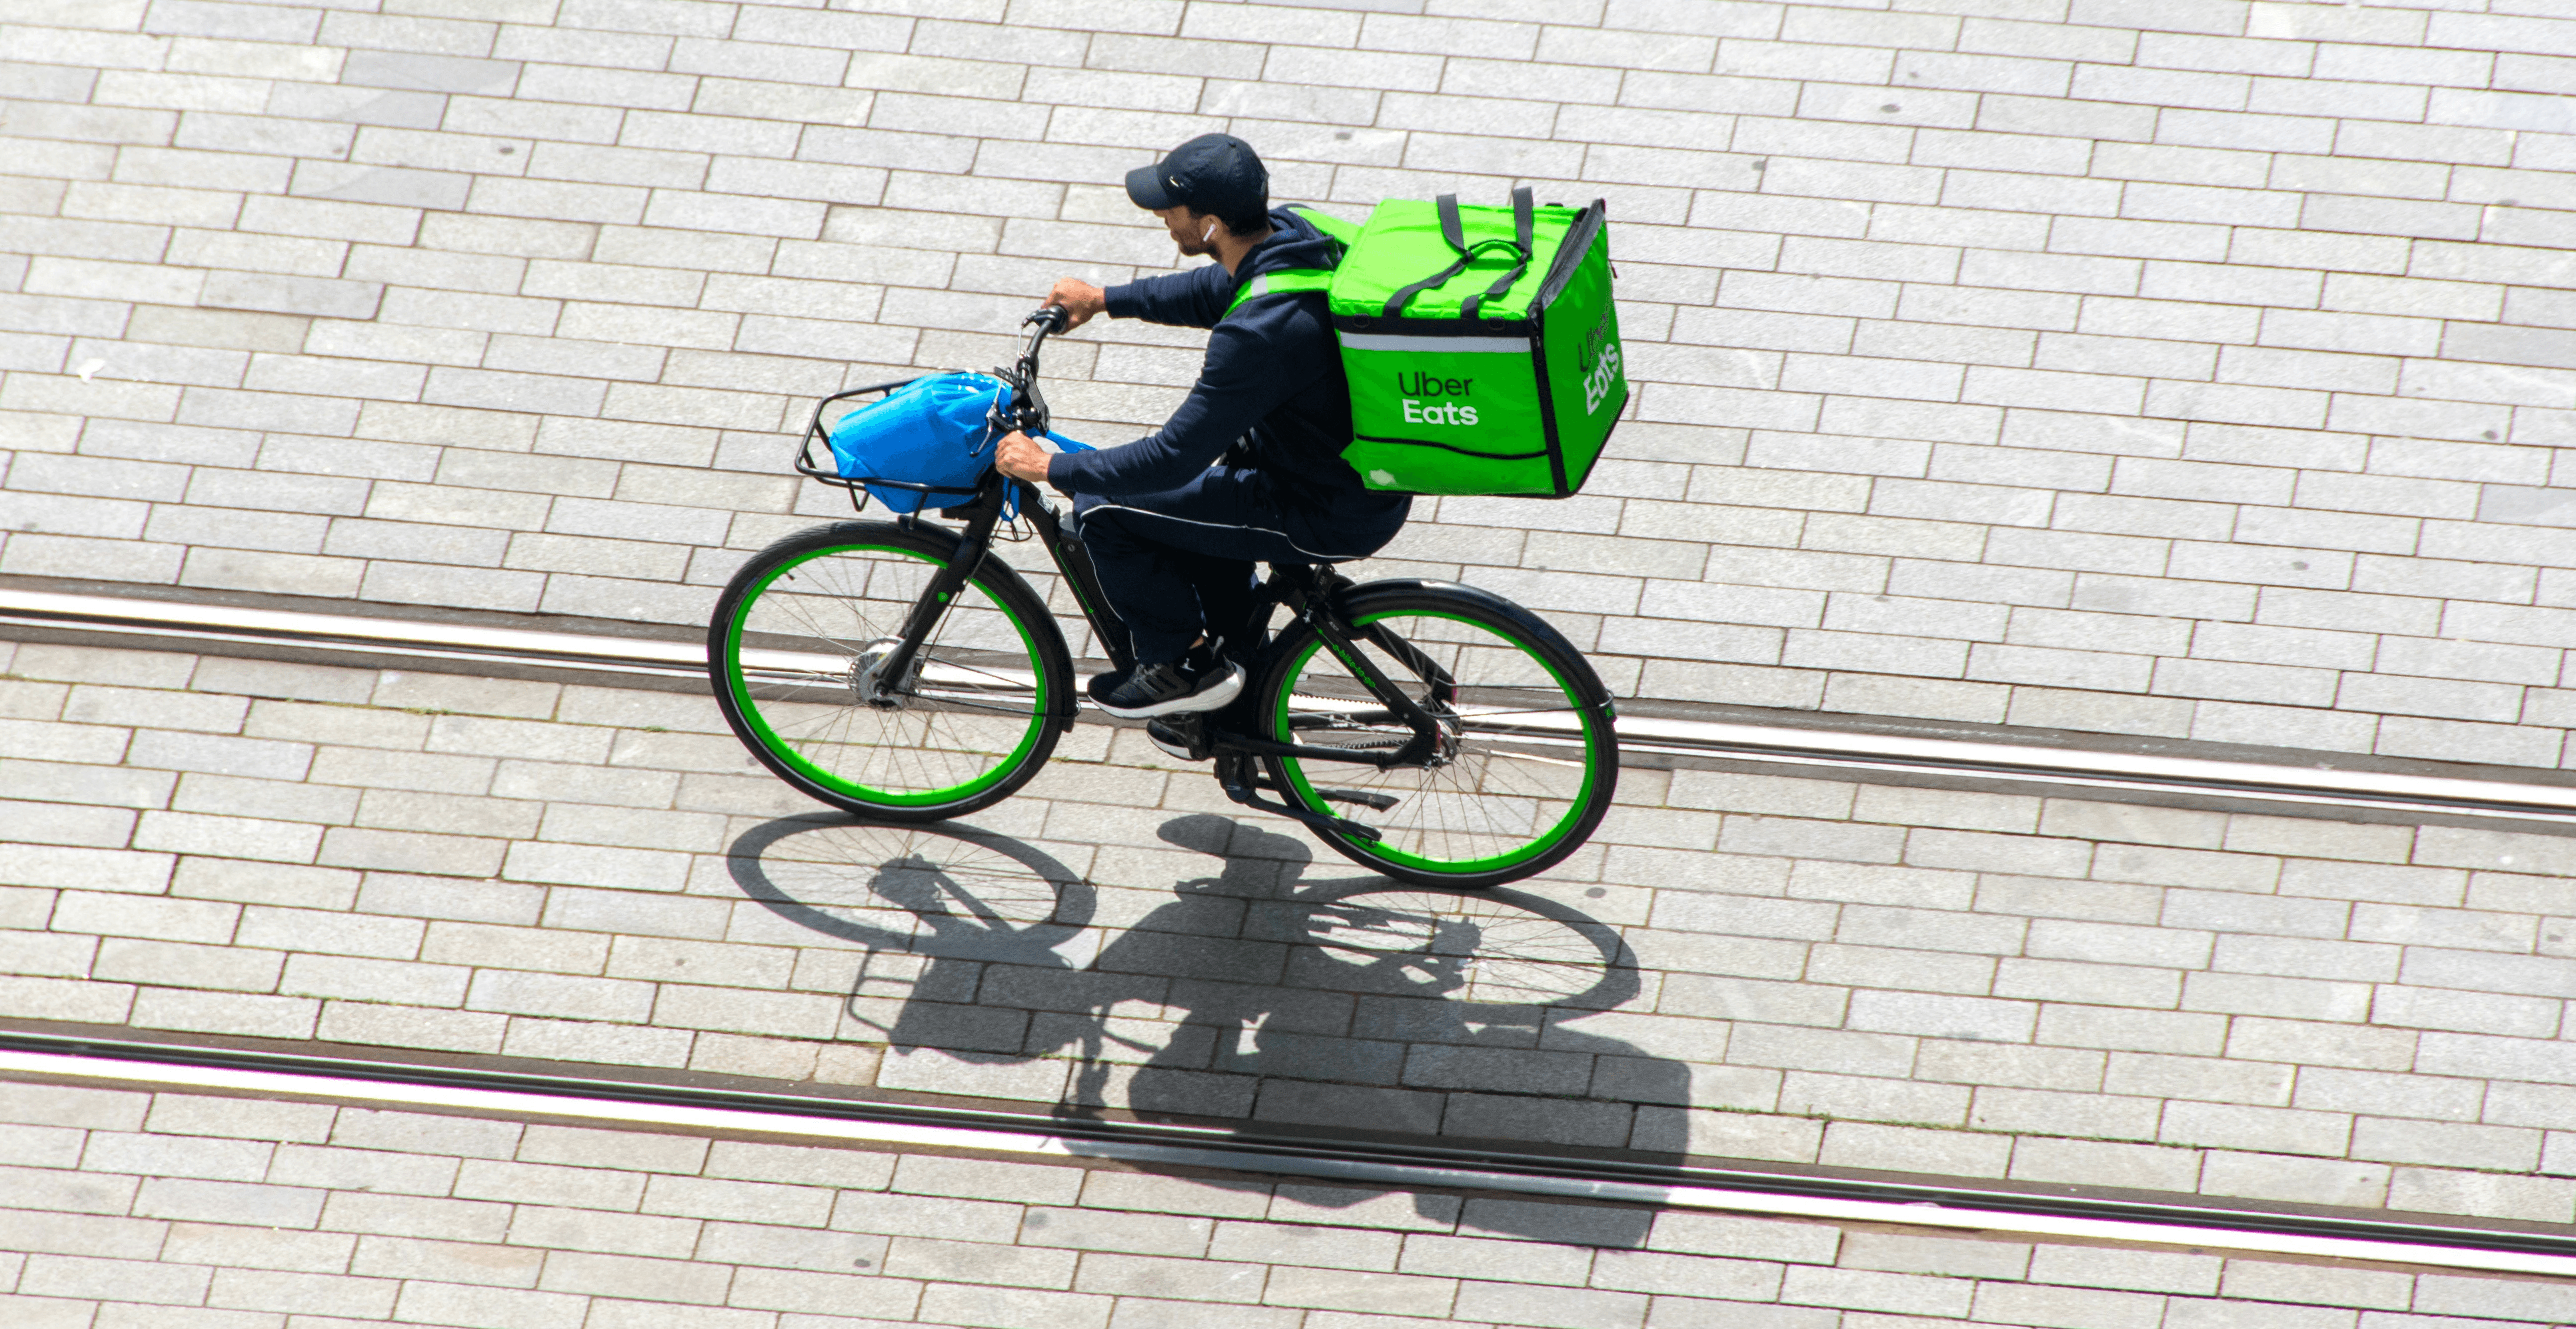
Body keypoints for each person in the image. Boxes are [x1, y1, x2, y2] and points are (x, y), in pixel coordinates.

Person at [993, 134, 1411, 728]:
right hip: (1349, 480)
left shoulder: (1259, 336)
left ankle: (1178, 669)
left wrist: (1050, 468)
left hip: (1319, 511)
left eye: (1172, 210)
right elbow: (1214, 288)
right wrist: (1105, 299)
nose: (1163, 218)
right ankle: (1237, 671)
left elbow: (1171, 460)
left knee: (1103, 505)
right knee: (1181, 514)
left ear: (1211, 224)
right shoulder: (1292, 237)